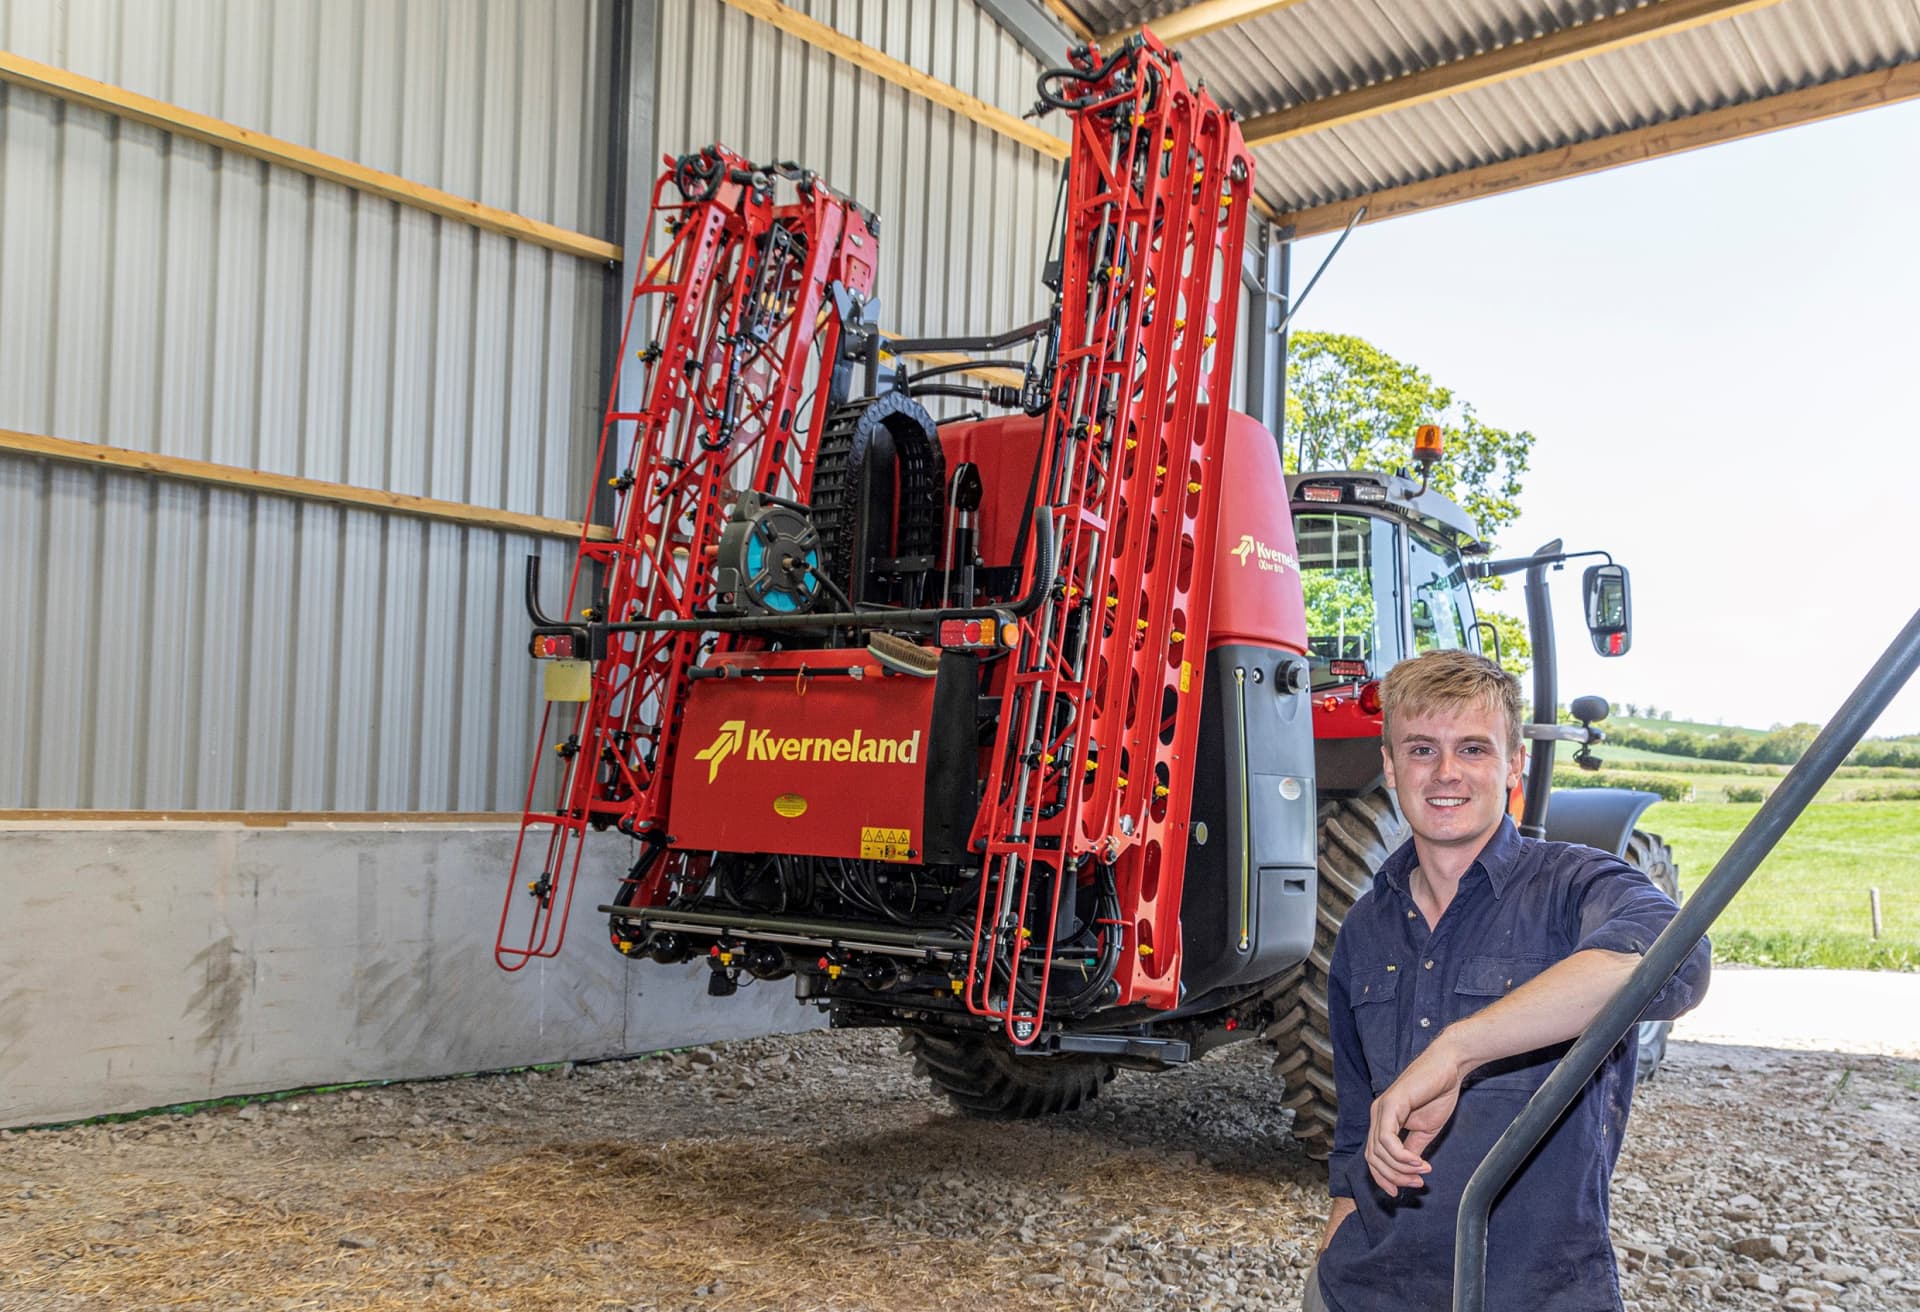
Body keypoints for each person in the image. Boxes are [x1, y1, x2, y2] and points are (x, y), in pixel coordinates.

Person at [1303, 650, 1710, 1312]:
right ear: (1389, 766)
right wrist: (1326, 1270)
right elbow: (1355, 1133)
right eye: (1421, 749)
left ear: (1513, 764)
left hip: (1532, 1295)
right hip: (1364, 1293)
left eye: (1473, 748)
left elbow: (1676, 959)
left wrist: (1459, 1048)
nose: (1445, 773)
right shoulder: (1362, 929)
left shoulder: (1575, 886)